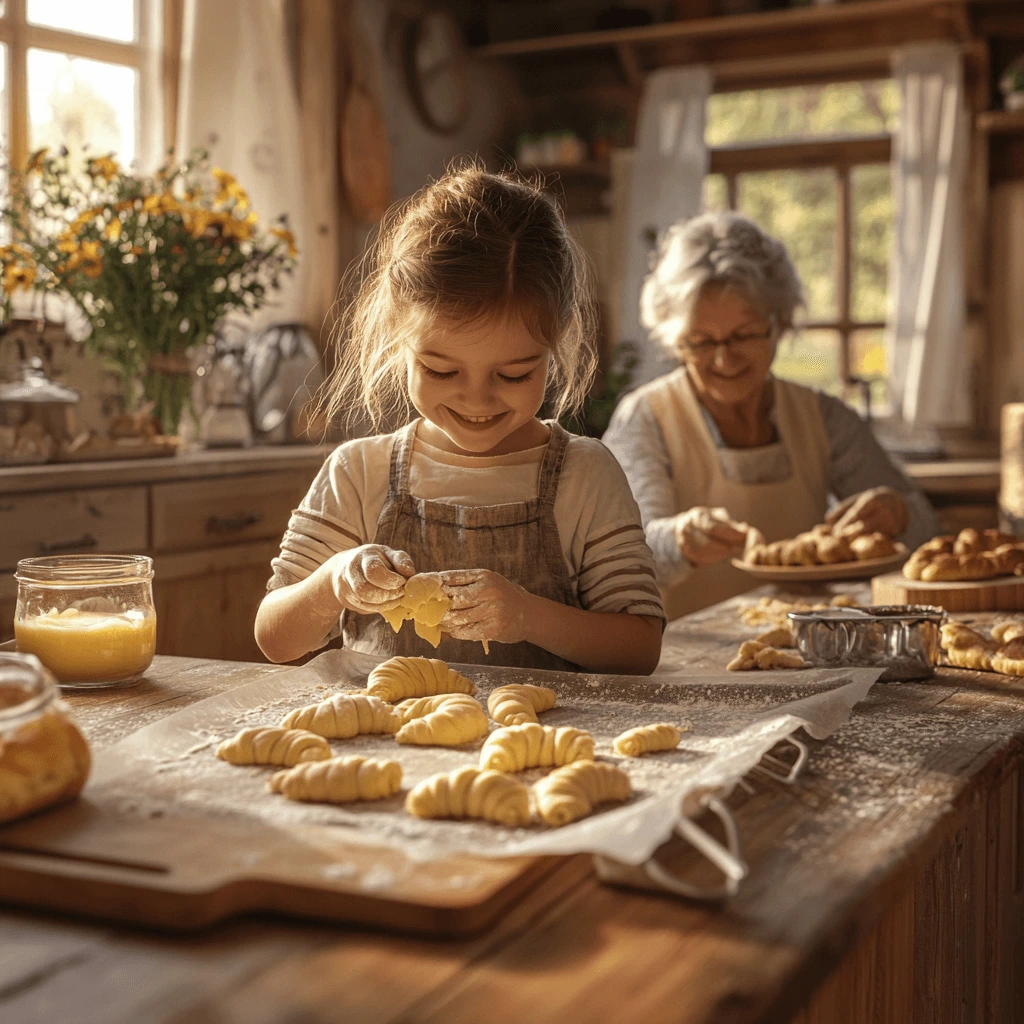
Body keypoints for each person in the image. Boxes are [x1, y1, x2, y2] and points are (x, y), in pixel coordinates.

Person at [255, 163, 664, 673]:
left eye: (513, 374)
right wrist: (334, 580)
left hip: (546, 747)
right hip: (387, 746)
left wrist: (527, 616)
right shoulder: (359, 472)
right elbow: (275, 637)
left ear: (555, 345)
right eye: (440, 369)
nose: (477, 400)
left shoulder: (585, 476)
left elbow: (640, 648)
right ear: (398, 339)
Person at [603, 212, 940, 620]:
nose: (725, 358)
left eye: (743, 335)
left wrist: (898, 514)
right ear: (677, 340)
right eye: (702, 342)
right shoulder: (648, 417)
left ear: (778, 323)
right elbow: (623, 561)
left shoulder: (822, 417)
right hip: (680, 659)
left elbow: (925, 528)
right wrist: (678, 540)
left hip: (809, 653)